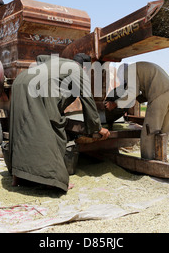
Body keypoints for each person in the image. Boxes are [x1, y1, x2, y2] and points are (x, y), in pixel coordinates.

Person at [8, 53, 110, 192]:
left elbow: (40, 57)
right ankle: (53, 180)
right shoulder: (78, 70)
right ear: (85, 67)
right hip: (37, 85)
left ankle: (17, 177)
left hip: (21, 80)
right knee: (53, 129)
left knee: (21, 127)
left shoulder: (57, 62)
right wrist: (96, 128)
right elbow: (88, 100)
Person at [104, 62, 169, 160]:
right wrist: (136, 98)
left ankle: (147, 162)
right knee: (162, 132)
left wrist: (115, 104)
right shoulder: (139, 68)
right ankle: (161, 158)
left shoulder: (128, 70)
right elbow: (139, 91)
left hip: (159, 94)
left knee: (148, 132)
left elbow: (132, 92)